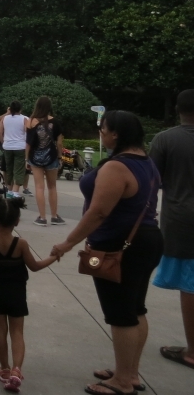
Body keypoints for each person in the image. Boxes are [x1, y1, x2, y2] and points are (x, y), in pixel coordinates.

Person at [51, 111, 163, 395]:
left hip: (120, 245)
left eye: (103, 129)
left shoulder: (117, 167)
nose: (100, 133)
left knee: (120, 313)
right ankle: (130, 372)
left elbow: (100, 211)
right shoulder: (146, 162)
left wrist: (68, 242)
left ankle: (123, 382)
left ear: (116, 134)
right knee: (135, 308)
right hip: (145, 240)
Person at [0, 195, 58, 392]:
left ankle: (4, 368)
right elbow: (35, 266)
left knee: (0, 330)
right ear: (17, 221)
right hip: (16, 293)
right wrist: (53, 257)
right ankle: (16, 370)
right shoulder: (20, 244)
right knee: (17, 332)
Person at [150, 88, 194, 371]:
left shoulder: (165, 139)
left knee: (190, 285)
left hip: (182, 220)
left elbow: (151, 182)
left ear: (177, 109)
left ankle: (192, 351)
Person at [25, 97, 65, 226]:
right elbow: (59, 143)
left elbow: (28, 144)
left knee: (39, 187)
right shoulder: (55, 122)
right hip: (51, 157)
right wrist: (60, 157)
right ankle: (54, 216)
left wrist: (27, 159)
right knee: (52, 187)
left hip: (35, 157)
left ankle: (42, 217)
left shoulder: (30, 122)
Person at [0, 101, 28, 194]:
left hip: (7, 146)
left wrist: (4, 142)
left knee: (9, 169)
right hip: (20, 147)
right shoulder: (25, 119)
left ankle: (9, 190)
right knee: (19, 170)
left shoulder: (4, 119)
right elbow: (28, 133)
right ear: (20, 109)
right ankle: (15, 192)